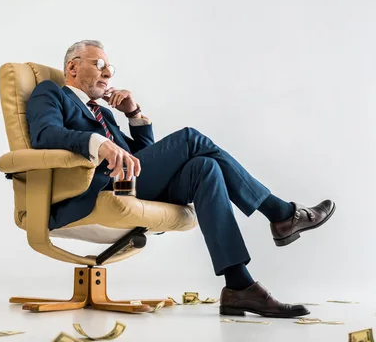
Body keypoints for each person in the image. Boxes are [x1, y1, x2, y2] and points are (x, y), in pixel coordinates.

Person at [25, 40, 336, 318]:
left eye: (111, 68)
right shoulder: (52, 93)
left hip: (127, 183)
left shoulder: (104, 114)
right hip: (91, 190)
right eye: (100, 65)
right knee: (190, 138)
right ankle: (281, 214)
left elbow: (144, 157)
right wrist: (99, 144)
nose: (108, 73)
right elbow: (44, 135)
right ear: (72, 67)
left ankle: (239, 284)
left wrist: (133, 115)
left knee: (205, 167)